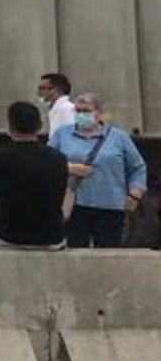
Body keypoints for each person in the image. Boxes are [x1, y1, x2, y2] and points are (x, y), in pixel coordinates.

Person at [52, 92, 147, 249]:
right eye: (78, 111)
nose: (81, 115)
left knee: (109, 252)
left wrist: (135, 194)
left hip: (110, 205)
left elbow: (137, 167)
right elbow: (48, 163)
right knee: (76, 252)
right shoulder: (62, 134)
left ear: (100, 113)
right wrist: (70, 168)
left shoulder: (119, 137)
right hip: (75, 205)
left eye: (87, 111)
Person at [0, 101, 69, 250]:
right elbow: (62, 194)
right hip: (50, 237)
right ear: (39, 126)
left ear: (10, 127)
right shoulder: (58, 158)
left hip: (6, 236)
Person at [38, 72, 76, 138]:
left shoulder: (67, 108)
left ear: (56, 89)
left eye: (43, 88)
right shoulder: (53, 108)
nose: (40, 92)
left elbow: (70, 135)